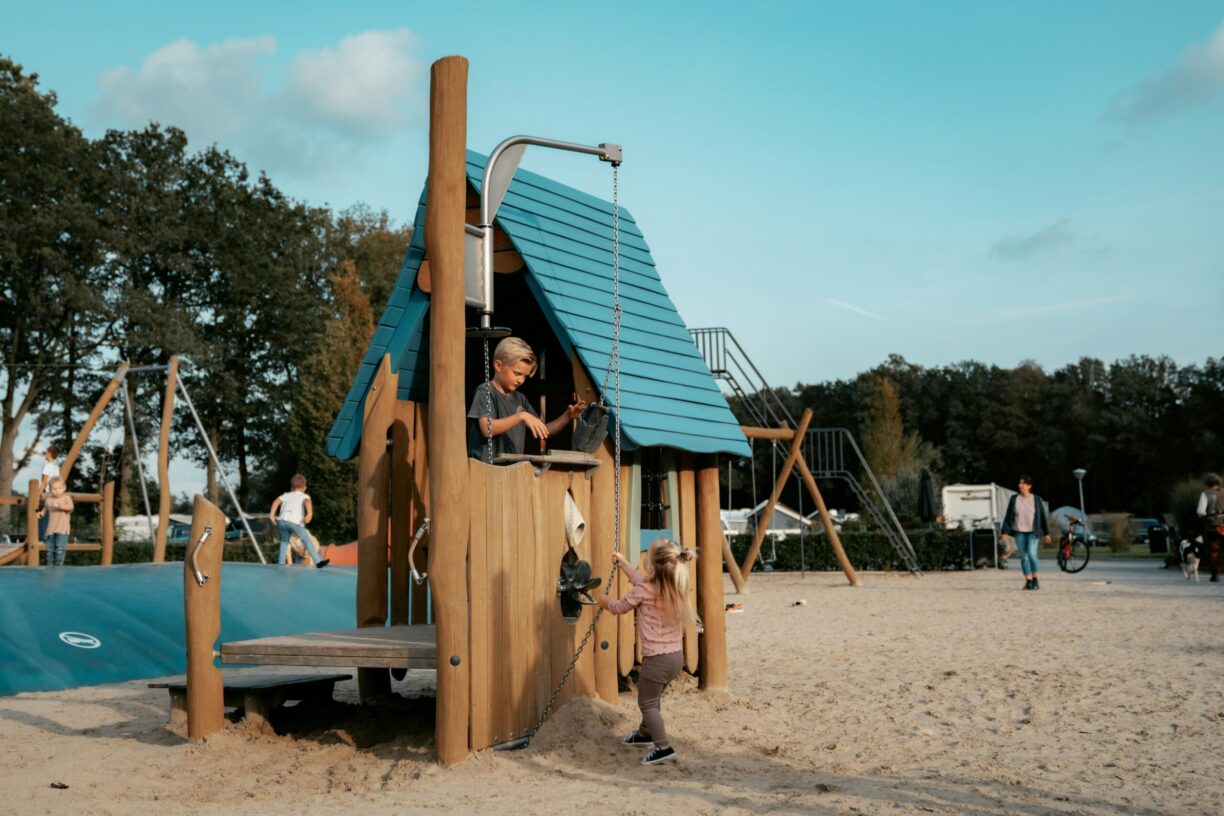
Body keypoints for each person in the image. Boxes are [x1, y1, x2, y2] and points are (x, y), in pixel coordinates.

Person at [597, 539, 697, 766]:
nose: (644, 557)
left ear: (652, 566)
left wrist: (605, 602)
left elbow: (620, 607)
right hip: (675, 658)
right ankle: (645, 734)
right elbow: (639, 579)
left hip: (657, 660)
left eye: (647, 555)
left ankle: (663, 747)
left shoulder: (644, 590)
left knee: (647, 704)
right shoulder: (671, 587)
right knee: (653, 699)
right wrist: (623, 563)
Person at [466, 337, 585, 460]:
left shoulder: (520, 399)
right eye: (517, 373)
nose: (521, 380)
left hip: (512, 468)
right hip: (486, 468)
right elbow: (487, 429)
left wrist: (567, 416)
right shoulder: (485, 391)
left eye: (525, 376)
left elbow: (544, 432)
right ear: (498, 365)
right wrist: (521, 416)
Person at [1000, 476, 1050, 590]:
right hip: (1019, 532)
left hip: (1033, 532)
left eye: (1023, 483)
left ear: (1029, 486)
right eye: (1019, 483)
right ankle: (1028, 581)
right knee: (1024, 557)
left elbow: (1042, 516)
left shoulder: (1036, 499)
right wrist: (1004, 532)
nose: (1020, 485)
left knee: (1032, 554)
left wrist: (1047, 533)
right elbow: (1008, 516)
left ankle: (1035, 579)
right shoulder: (1014, 499)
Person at [270, 474, 328, 568]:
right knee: (306, 540)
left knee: (284, 542)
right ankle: (318, 562)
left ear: (291, 488)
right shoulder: (304, 496)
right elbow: (307, 502)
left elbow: (276, 502)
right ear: (305, 487)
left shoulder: (286, 495)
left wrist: (272, 515)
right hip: (295, 522)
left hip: (282, 521)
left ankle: (280, 563)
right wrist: (309, 514)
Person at [36, 476, 73, 567]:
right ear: (50, 490)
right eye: (54, 489)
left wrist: (60, 506)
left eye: (59, 488)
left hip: (62, 530)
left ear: (64, 488)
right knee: (50, 551)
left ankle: (58, 568)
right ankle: (50, 568)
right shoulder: (48, 500)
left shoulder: (66, 498)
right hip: (50, 530)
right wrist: (40, 514)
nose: (57, 491)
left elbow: (70, 508)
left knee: (60, 550)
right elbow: (45, 510)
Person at [1196, 473, 1223, 582]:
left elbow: (1200, 511)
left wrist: (1206, 515)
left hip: (1213, 525)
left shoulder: (1205, 494)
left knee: (1214, 550)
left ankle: (1215, 574)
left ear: (1207, 483)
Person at [36, 445, 61, 546]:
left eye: (46, 452)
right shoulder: (56, 467)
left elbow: (44, 482)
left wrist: (37, 495)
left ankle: (43, 538)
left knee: (43, 516)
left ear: (50, 453)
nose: (45, 454)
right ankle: (51, 539)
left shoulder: (47, 466)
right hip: (55, 494)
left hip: (47, 494)